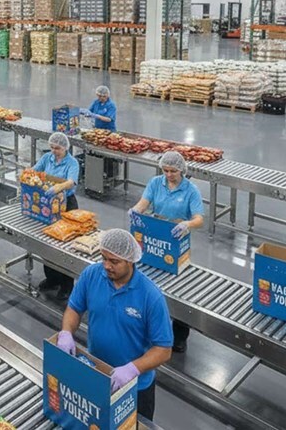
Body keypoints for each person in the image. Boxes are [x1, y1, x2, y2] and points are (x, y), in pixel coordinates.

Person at [57, 229, 173, 421]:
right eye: (104, 258)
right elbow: (74, 308)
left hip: (135, 388)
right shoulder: (92, 275)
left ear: (130, 260)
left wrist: (132, 369)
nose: (106, 266)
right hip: (97, 374)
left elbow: (163, 349)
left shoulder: (150, 296)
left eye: (114, 261)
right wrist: (66, 332)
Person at [129, 150, 204, 353]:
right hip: (156, 234)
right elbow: (143, 204)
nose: (169, 174)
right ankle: (149, 326)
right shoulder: (155, 183)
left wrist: (187, 224)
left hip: (178, 239)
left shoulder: (191, 190)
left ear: (181, 170)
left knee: (180, 287)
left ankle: (179, 336)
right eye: (165, 170)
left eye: (173, 171)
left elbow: (199, 218)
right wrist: (136, 211)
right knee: (152, 281)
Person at [34, 132, 80, 301]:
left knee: (64, 246)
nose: (54, 151)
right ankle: (52, 279)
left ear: (65, 147)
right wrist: (27, 176)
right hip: (48, 204)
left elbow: (71, 182)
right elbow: (35, 170)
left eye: (58, 148)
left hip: (66, 204)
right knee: (47, 241)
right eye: (52, 147)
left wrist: (58, 187)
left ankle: (67, 285)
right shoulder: (47, 158)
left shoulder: (72, 162)